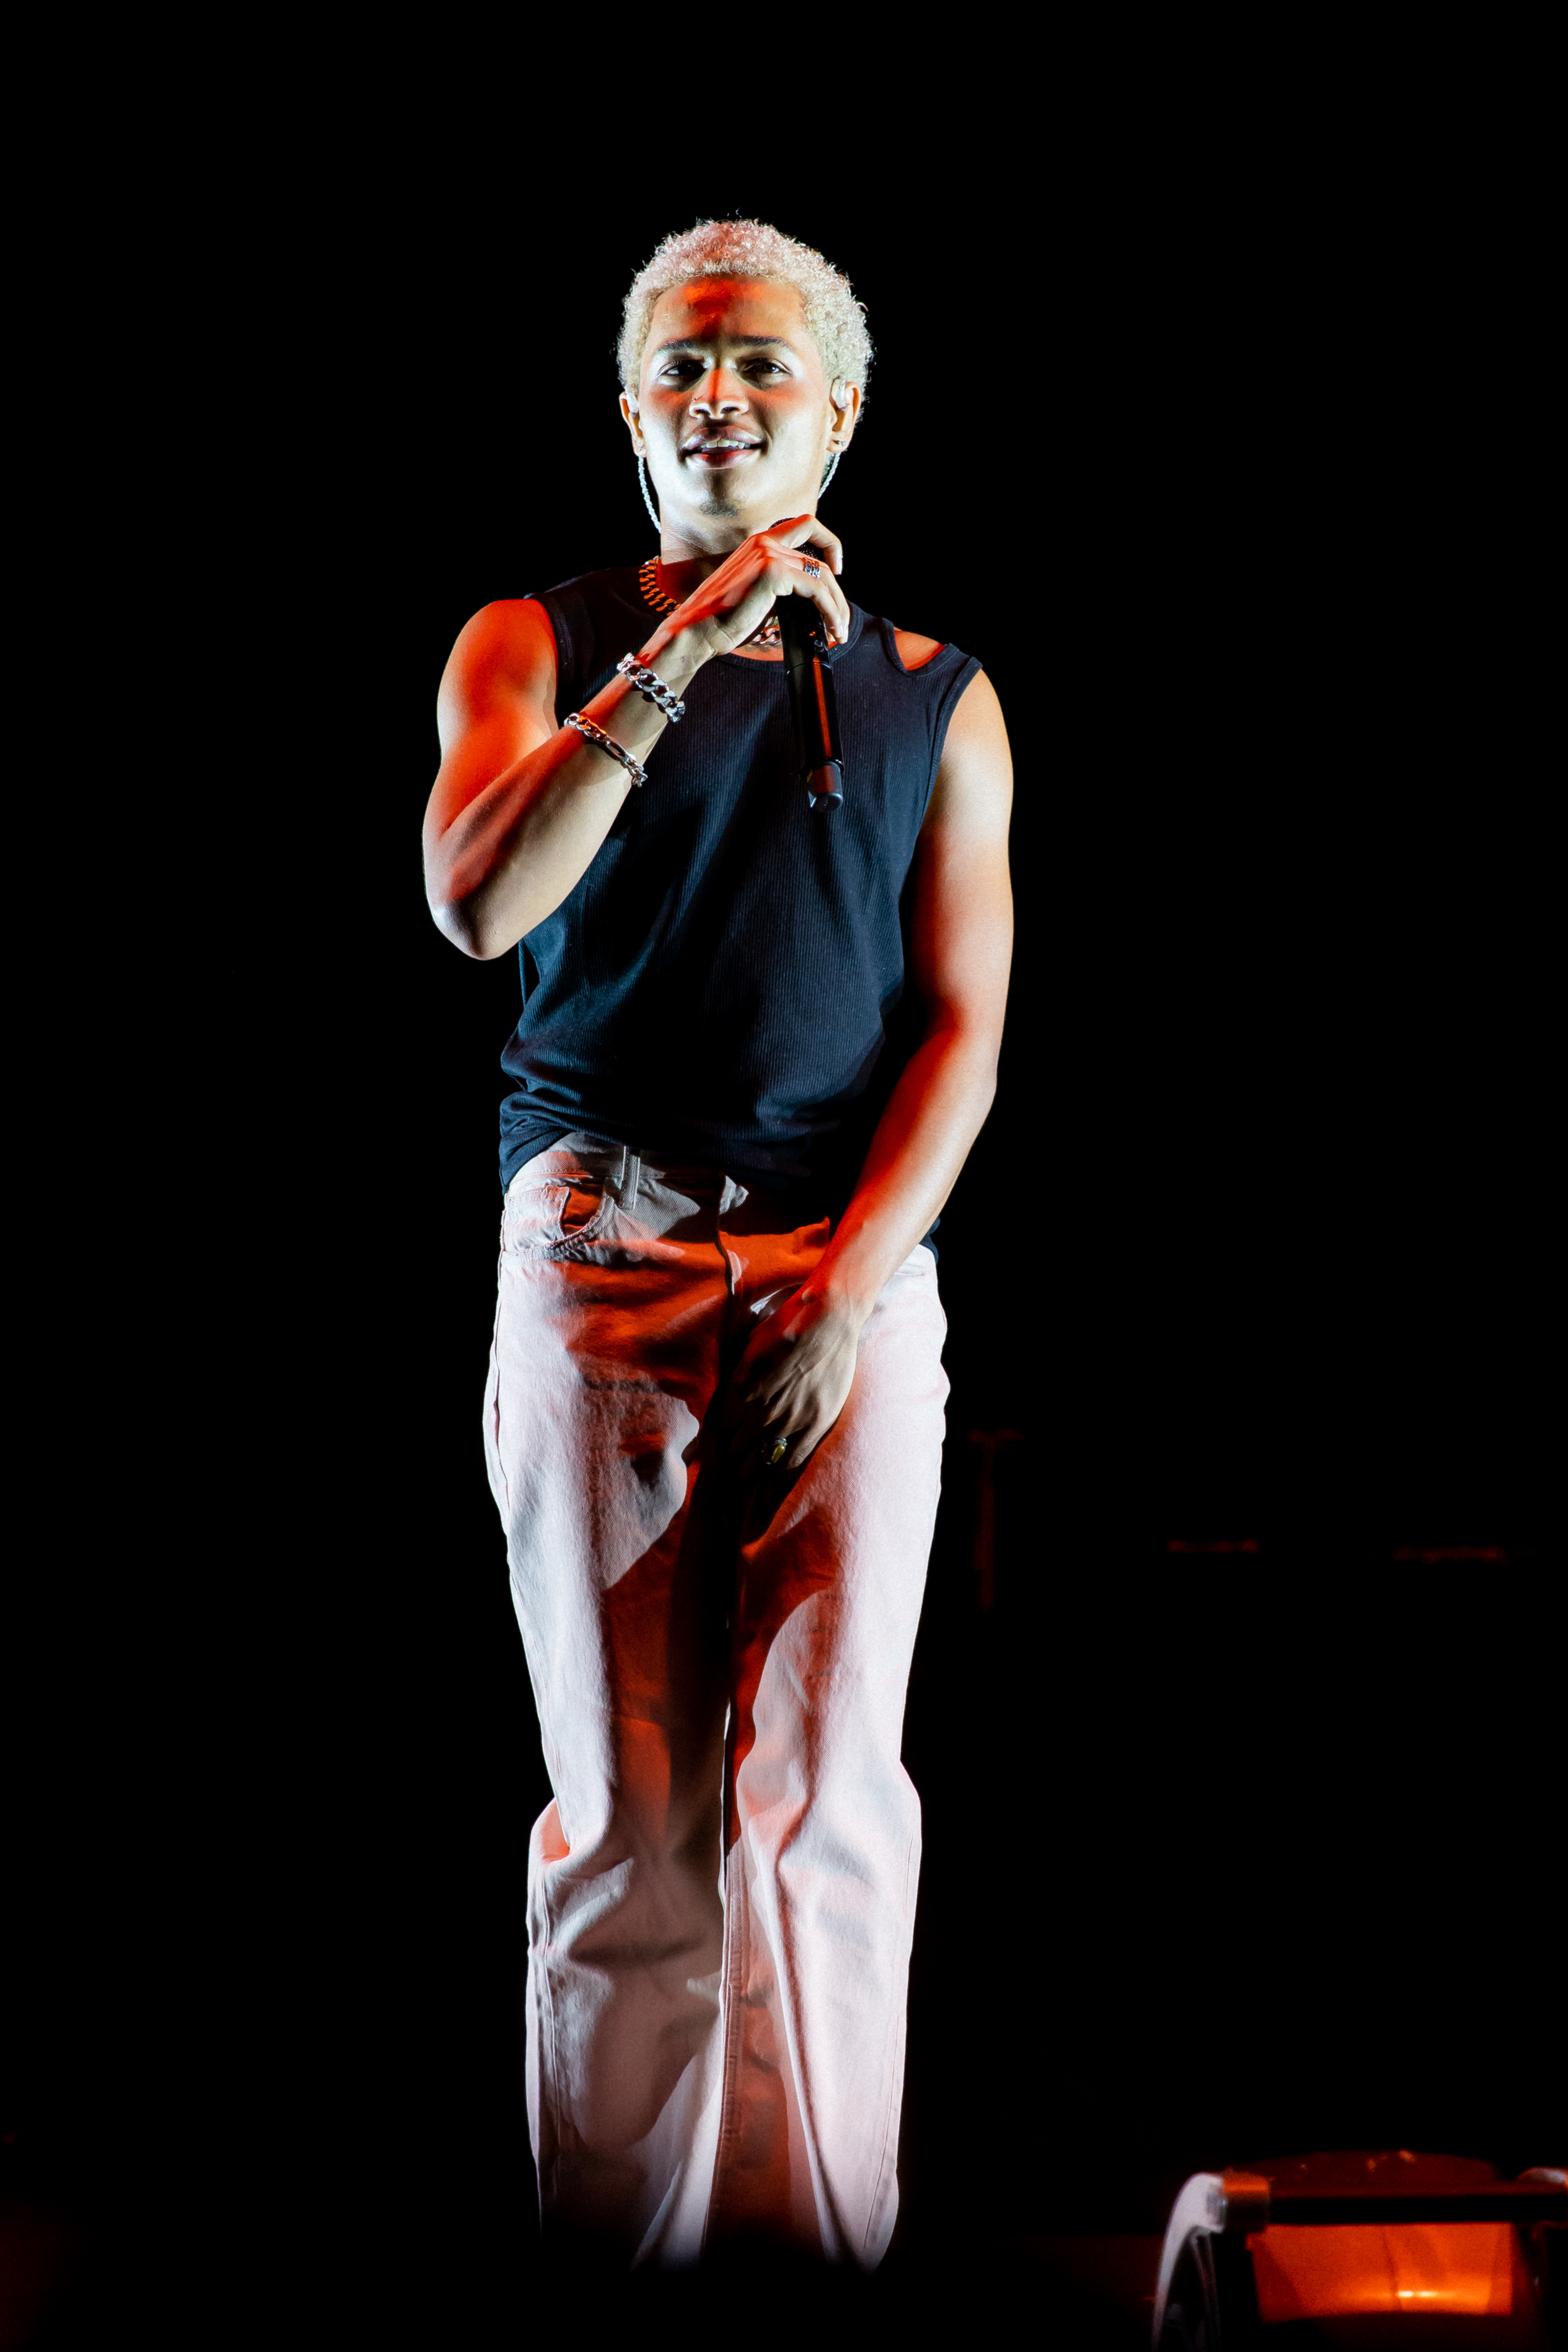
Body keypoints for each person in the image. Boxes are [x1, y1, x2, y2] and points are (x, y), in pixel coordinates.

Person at [422, 219, 1013, 2271]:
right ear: (631, 411)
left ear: (838, 410)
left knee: (835, 1811)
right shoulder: (533, 636)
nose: (719, 395)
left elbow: (963, 1032)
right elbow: (479, 905)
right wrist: (693, 640)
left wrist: (847, 1296)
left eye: (762, 362)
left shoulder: (938, 696)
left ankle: (824, 2269)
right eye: (681, 364)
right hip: (608, 1236)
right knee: (637, 1827)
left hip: (853, 1253)